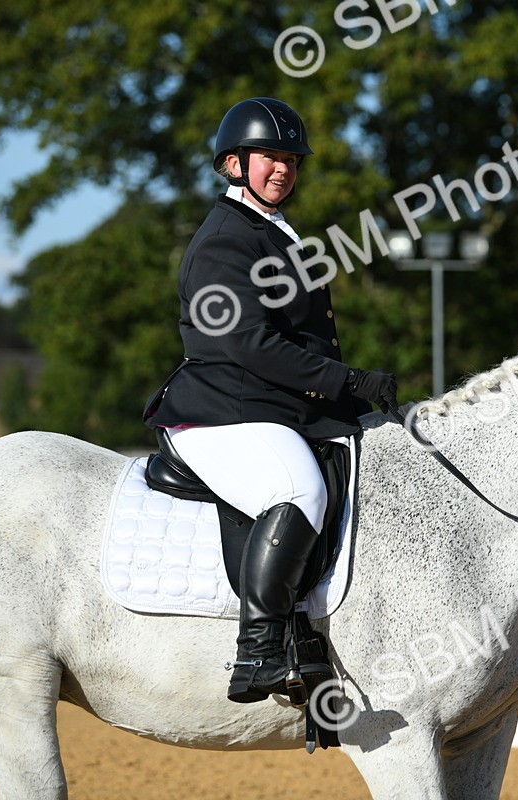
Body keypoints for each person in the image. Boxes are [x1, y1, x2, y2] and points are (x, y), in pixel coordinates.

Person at [144, 97, 398, 703]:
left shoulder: (271, 229)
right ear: (234, 163)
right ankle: (257, 652)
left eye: (291, 159)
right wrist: (347, 381)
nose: (283, 169)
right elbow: (250, 344)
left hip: (270, 405)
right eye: (269, 158)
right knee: (298, 490)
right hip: (223, 409)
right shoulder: (225, 240)